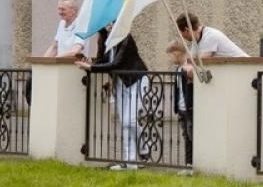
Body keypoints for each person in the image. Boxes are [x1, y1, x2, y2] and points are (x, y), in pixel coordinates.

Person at [77, 23, 148, 170]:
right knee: (124, 123)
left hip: (137, 80)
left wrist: (91, 67)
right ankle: (130, 162)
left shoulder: (125, 38)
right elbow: (103, 60)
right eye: (108, 23)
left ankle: (143, 145)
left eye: (113, 23)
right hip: (120, 83)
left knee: (131, 120)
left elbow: (116, 63)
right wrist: (91, 63)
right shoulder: (105, 39)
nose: (110, 26)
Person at [163, 40, 194, 165]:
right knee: (186, 136)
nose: (170, 58)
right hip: (181, 108)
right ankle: (188, 164)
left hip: (190, 108)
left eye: (170, 55)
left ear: (177, 53)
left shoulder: (189, 67)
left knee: (192, 135)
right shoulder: (178, 68)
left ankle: (193, 163)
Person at [176, 13, 248, 58]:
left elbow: (202, 63)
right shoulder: (196, 40)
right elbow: (191, 60)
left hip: (246, 70)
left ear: (187, 30)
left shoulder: (210, 36)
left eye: (181, 33)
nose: (181, 36)